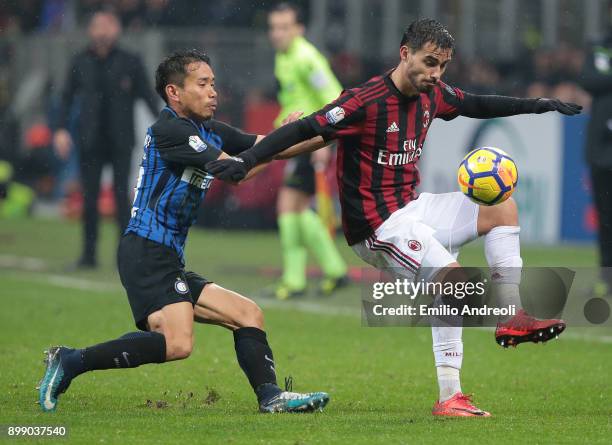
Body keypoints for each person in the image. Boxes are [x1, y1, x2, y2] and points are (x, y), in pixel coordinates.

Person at [206, 19, 582, 417]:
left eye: (443, 66)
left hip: (412, 208)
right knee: (455, 282)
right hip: (376, 227)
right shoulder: (364, 101)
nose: (436, 74)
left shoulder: (432, 94)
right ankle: (450, 394)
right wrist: (249, 158)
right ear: (405, 53)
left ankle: (510, 318)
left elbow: (475, 103)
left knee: (501, 206)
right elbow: (305, 127)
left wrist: (537, 105)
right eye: (430, 62)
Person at [38, 49, 329, 414]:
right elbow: (236, 170)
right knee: (177, 343)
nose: (213, 92)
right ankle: (70, 360)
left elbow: (267, 148)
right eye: (202, 84)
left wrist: (332, 131)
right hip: (146, 250)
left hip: (166, 256)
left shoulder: (207, 131)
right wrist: (280, 140)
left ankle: (270, 397)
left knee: (248, 314)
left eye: (213, 84)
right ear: (175, 92)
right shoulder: (170, 130)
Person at [54, 10, 158, 269]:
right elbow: (66, 98)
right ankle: (88, 255)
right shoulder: (80, 61)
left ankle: (125, 256)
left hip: (122, 139)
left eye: (108, 25)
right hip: (90, 140)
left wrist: (168, 124)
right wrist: (59, 129)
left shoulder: (130, 62)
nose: (102, 31)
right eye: (97, 25)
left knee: (122, 197)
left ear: (117, 30)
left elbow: (148, 96)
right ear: (90, 30)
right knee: (89, 198)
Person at [266, 3, 348, 299]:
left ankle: (296, 280)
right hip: (296, 138)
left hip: (310, 139)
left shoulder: (306, 58)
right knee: (296, 209)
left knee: (288, 207)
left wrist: (324, 143)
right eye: (274, 27)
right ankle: (333, 271)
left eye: (284, 27)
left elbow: (335, 100)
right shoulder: (283, 57)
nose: (277, 34)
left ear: (299, 29)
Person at [579, 24, 612, 299]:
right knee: (606, 219)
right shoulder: (600, 44)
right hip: (602, 147)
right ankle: (607, 278)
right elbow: (589, 80)